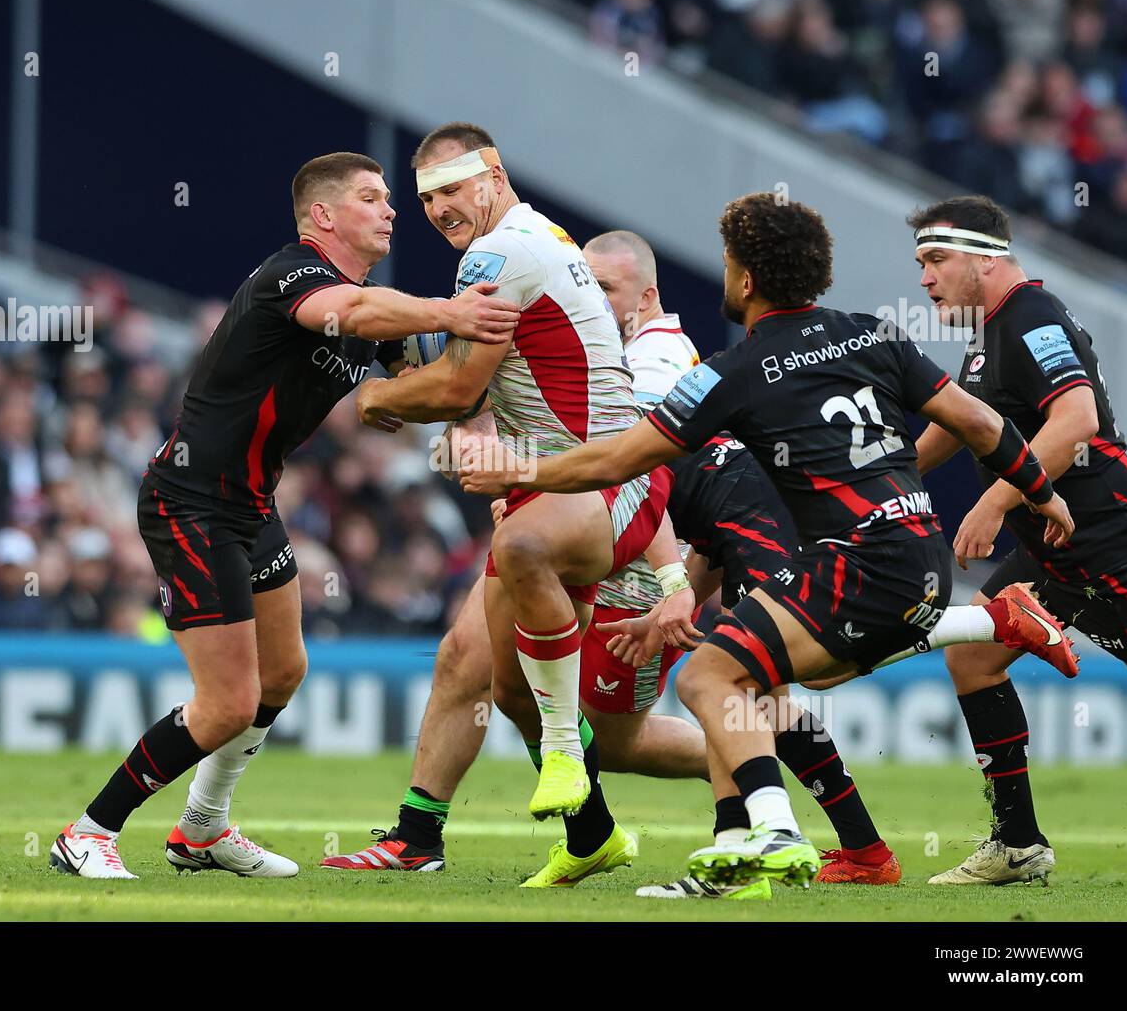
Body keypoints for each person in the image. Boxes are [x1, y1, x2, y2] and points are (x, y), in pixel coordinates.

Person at [459, 192, 1077, 889]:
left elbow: (613, 462)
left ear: (745, 278)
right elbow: (978, 421)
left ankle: (776, 833)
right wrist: (1042, 490)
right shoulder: (873, 334)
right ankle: (751, 847)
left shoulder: (731, 372)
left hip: (854, 562)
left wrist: (520, 469)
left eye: (728, 263)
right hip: (916, 553)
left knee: (710, 677)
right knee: (769, 677)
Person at [49, 151, 518, 880]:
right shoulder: (293, 273)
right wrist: (452, 311)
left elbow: (441, 390)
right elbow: (354, 311)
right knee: (227, 703)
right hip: (190, 501)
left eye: (391, 198)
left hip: (250, 505)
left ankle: (201, 830)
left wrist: (482, 393)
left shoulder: (375, 316)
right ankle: (88, 831)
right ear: (324, 215)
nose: (392, 210)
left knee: (283, 673)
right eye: (373, 197)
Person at [355, 123, 679, 885]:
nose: (438, 208)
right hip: (555, 477)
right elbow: (476, 387)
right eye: (426, 197)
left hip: (608, 479)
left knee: (521, 554)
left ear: (493, 175)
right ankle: (581, 831)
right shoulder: (527, 240)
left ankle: (594, 756)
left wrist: (377, 396)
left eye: (453, 188)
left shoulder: (498, 253)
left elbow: (458, 390)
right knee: (489, 676)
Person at [910, 195, 1127, 885]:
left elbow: (1076, 419)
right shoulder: (989, 338)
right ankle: (1017, 843)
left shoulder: (1031, 316)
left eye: (936, 259)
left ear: (986, 258)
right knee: (974, 658)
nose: (924, 279)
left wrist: (993, 500)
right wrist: (873, 488)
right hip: (1054, 557)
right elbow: (960, 425)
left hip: (1111, 542)